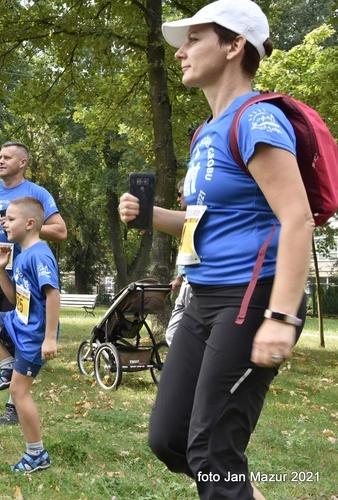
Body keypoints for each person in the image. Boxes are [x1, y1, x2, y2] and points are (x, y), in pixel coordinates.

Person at [119, 2, 312, 497]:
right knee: (169, 439)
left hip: (251, 298)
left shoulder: (258, 120)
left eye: (194, 39)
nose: (180, 52)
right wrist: (149, 217)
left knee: (211, 449)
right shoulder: (206, 133)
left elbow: (297, 218)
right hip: (204, 297)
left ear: (233, 46)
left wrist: (282, 317)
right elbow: (201, 222)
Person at [0, 142, 66, 425]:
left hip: (23, 276)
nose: (1, 161)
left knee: (20, 337)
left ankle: (13, 403)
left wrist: (22, 227)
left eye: (7, 157)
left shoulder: (37, 194)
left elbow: (60, 230)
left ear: (23, 163)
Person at [0, 197, 59, 472]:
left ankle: (36, 454)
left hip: (33, 335)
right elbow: (14, 297)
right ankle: (6, 365)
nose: (4, 222)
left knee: (20, 393)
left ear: (30, 224)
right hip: (15, 321)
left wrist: (50, 338)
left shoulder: (40, 254)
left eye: (11, 219)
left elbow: (53, 295)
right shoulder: (21, 254)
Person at [165, 180, 192, 346]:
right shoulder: (188, 223)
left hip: (197, 287)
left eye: (180, 194)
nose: (178, 199)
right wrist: (179, 278)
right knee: (172, 335)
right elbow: (187, 254)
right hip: (186, 286)